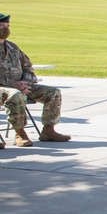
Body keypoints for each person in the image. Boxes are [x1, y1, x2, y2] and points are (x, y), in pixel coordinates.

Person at [0, 12, 72, 148]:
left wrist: (26, 83)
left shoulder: (13, 47)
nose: (5, 29)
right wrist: (14, 84)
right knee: (16, 95)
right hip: (4, 89)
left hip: (20, 86)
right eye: (1, 26)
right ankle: (20, 133)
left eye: (7, 25)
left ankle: (48, 131)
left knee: (53, 92)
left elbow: (27, 66)